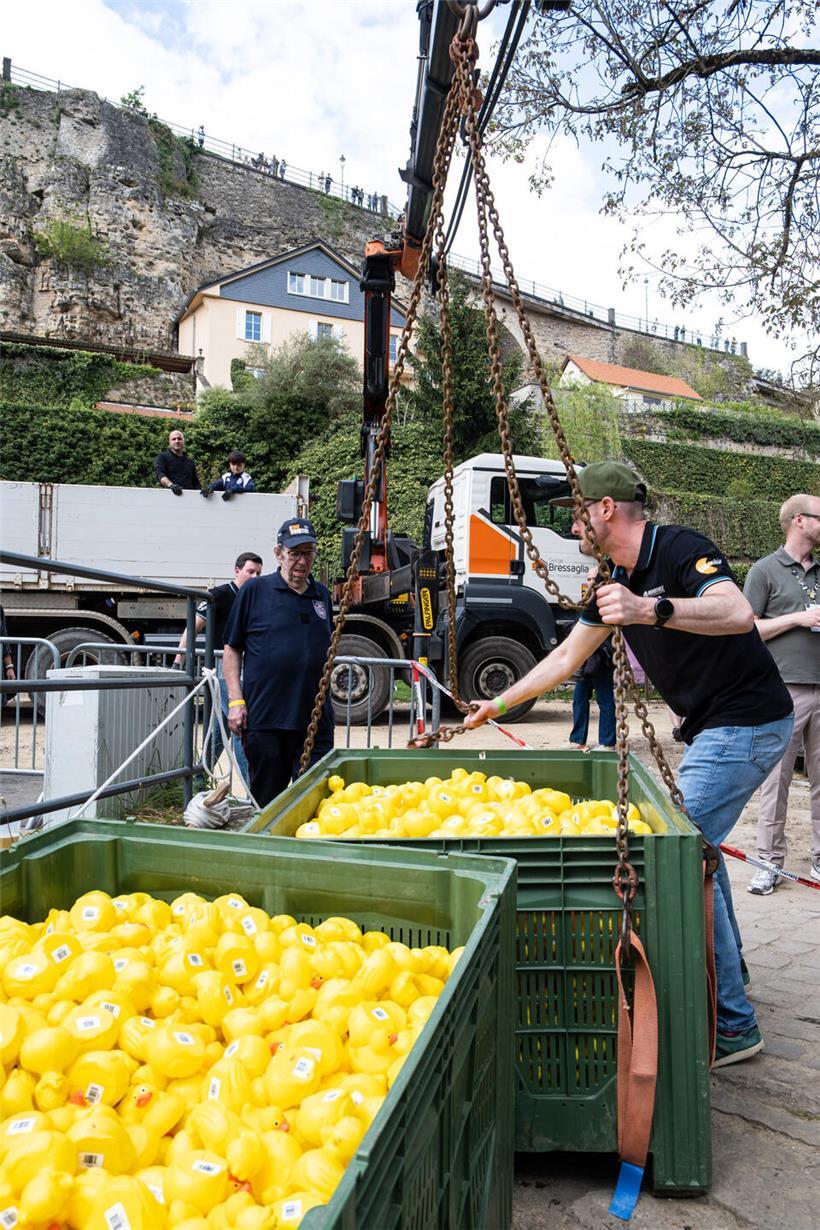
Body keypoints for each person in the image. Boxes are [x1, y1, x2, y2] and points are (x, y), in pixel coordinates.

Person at [465, 461, 794, 1068]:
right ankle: (731, 975)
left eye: (576, 512)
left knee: (676, 848)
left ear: (605, 508)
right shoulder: (611, 578)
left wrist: (649, 609)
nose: (573, 524)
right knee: (699, 847)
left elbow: (736, 614)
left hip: (747, 721)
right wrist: (499, 704)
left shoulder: (680, 549)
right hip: (715, 727)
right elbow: (566, 657)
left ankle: (732, 1024)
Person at [223, 518, 334, 809]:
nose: (302, 561)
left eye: (308, 553)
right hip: (267, 719)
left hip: (315, 720)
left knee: (315, 803)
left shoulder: (321, 595)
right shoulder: (255, 591)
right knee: (268, 804)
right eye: (295, 553)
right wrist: (236, 701)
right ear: (278, 554)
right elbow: (232, 649)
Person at [743, 494, 820, 892]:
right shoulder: (764, 570)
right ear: (799, 521)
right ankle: (768, 862)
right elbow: (746, 628)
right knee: (777, 780)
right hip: (783, 691)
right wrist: (798, 619)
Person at [173, 552, 263, 789]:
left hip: (246, 668)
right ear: (237, 571)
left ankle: (198, 778)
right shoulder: (219, 596)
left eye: (258, 573)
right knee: (240, 725)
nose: (255, 577)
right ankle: (253, 791)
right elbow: (194, 625)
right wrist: (179, 656)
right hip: (223, 668)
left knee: (221, 725)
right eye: (250, 571)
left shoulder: (256, 597)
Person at [568, 635, 615, 751]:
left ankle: (607, 742)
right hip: (586, 657)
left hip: (601, 656)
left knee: (605, 700)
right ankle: (577, 740)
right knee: (579, 699)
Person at [155, 429, 200, 494]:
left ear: (183, 441)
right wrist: (171, 485)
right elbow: (160, 475)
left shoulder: (190, 462)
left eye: (179, 439)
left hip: (189, 497)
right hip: (169, 495)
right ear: (169, 442)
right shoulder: (162, 457)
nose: (177, 441)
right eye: (174, 439)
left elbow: (196, 483)